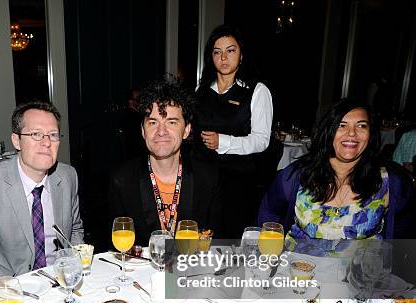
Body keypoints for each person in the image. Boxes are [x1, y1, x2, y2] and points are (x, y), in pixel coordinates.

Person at [0, 101, 85, 297]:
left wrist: (70, 267)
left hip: (58, 284)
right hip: (6, 287)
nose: (47, 143)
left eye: (53, 135)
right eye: (36, 134)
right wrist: (17, 289)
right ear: (16, 140)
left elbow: (75, 230)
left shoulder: (68, 176)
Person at [258, 99, 415, 253]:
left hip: (360, 276)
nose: (352, 133)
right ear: (328, 131)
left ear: (371, 133)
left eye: (361, 126)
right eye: (342, 125)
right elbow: (268, 214)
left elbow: (401, 233)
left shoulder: (390, 182)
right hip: (299, 274)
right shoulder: (296, 176)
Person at [108, 78, 222, 246]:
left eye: (171, 122)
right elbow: (117, 249)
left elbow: (217, 243)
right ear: (143, 131)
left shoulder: (209, 178)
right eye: (153, 122)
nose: (161, 131)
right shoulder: (122, 180)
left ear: (187, 130)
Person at [193, 24, 279, 238]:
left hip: (237, 180)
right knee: (200, 235)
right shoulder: (201, 90)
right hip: (202, 175)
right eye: (217, 52)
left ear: (241, 55)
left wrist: (224, 142)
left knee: (229, 239)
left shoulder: (257, 91)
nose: (223, 57)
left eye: (230, 50)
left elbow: (261, 141)